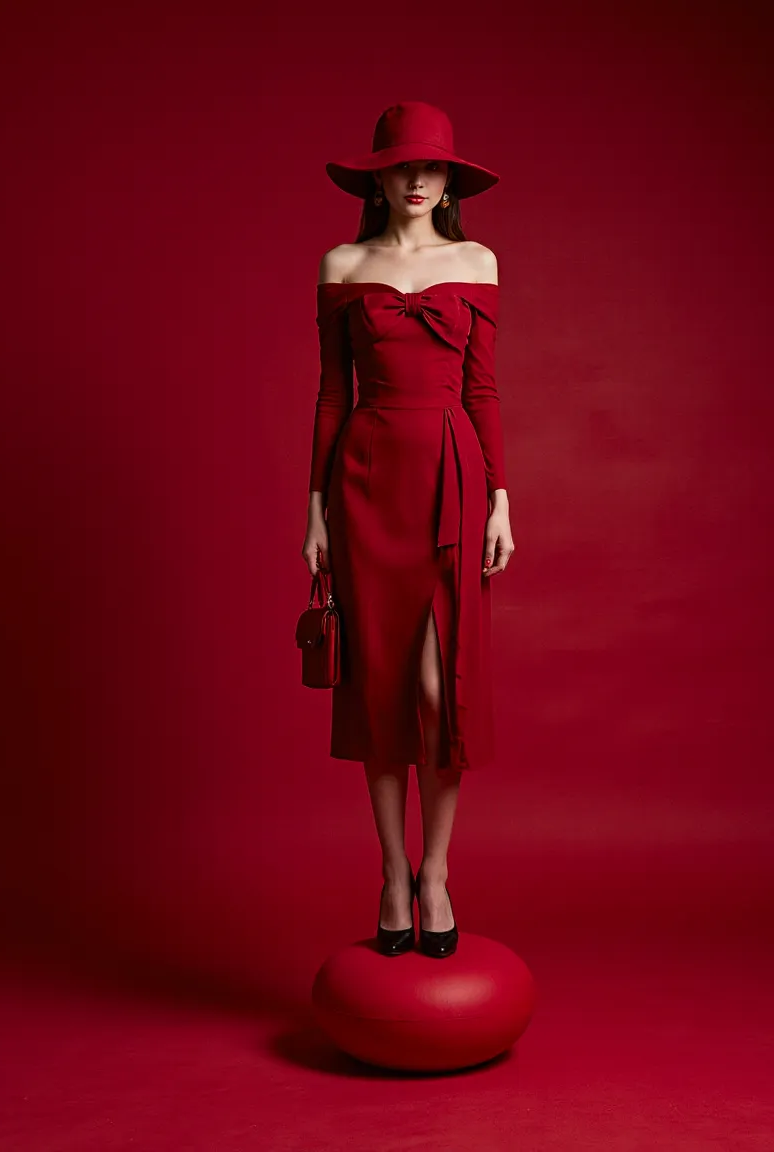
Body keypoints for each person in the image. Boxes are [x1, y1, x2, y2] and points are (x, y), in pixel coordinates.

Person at [301, 101, 515, 959]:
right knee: (379, 687)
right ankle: (392, 876)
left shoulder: (477, 260)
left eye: (432, 170)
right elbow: (329, 395)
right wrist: (313, 506)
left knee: (437, 688)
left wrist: (502, 495)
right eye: (401, 168)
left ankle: (437, 871)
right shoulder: (342, 262)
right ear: (378, 179)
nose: (419, 181)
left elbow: (485, 392)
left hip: (452, 478)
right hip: (364, 483)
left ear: (450, 182)